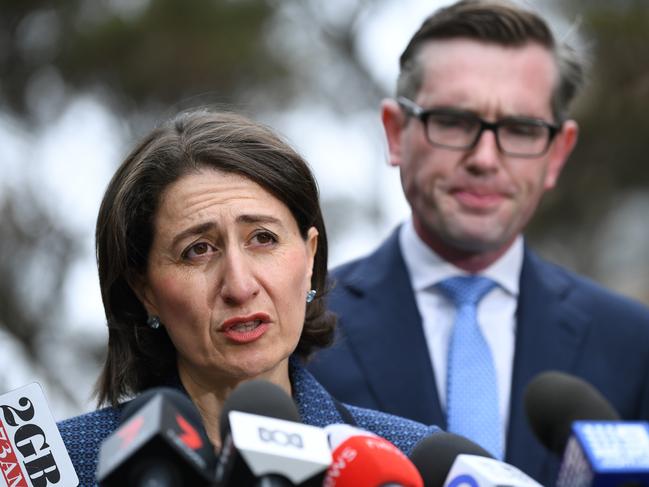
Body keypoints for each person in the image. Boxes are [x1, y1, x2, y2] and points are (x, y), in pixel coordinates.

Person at [307, 0, 649, 485]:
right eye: (453, 121)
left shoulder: (633, 344)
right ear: (396, 132)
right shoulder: (300, 330)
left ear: (557, 152)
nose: (485, 158)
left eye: (521, 128)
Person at [56, 110, 439, 486]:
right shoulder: (67, 467)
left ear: (309, 258)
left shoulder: (411, 465)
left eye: (262, 238)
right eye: (198, 249)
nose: (239, 287)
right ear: (146, 292)